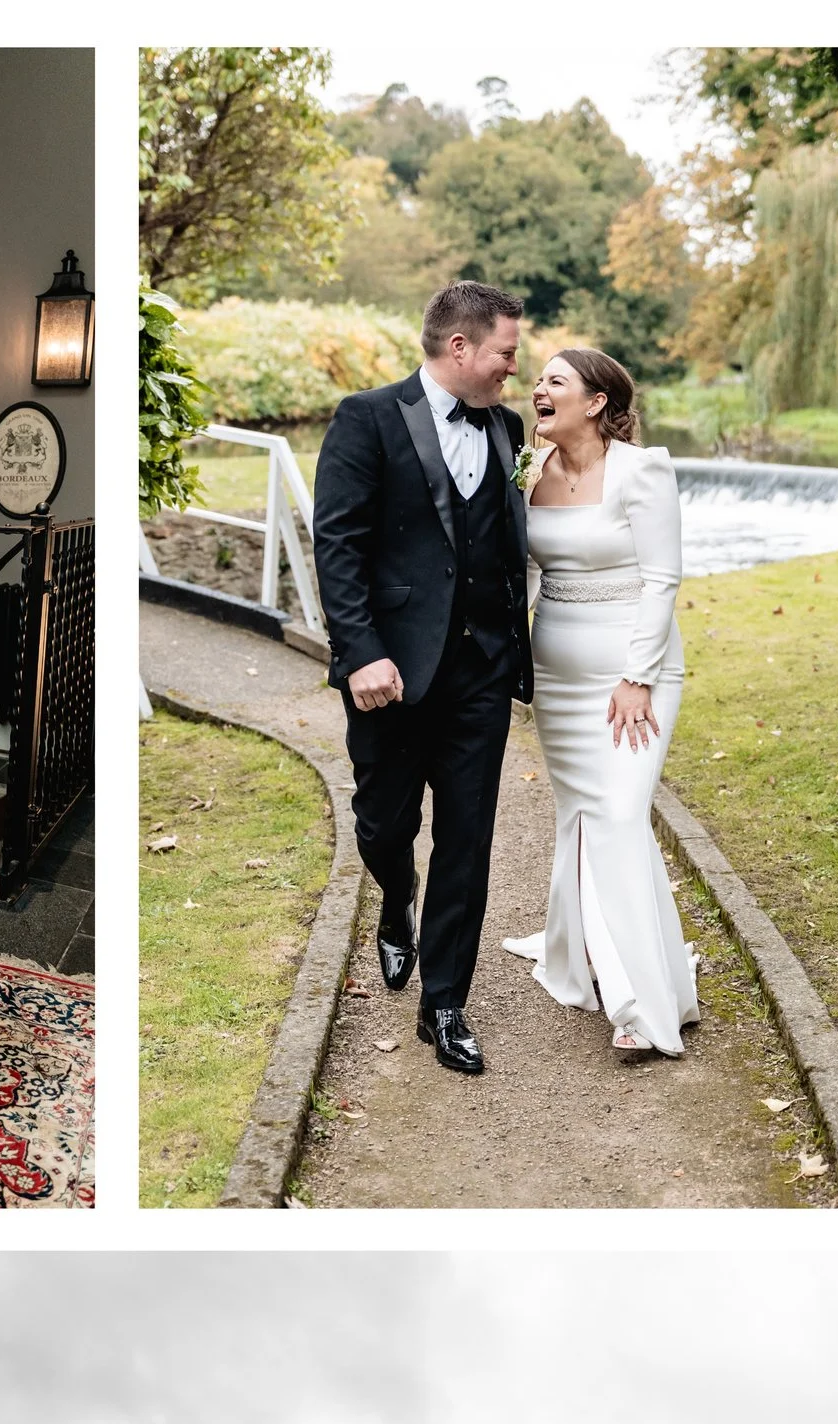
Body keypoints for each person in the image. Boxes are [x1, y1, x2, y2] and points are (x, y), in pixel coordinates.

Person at [313, 280, 533, 1076]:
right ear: (462, 348)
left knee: (468, 840)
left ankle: (446, 1004)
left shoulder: (507, 428)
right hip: (391, 673)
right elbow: (337, 544)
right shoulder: (367, 417)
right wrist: (361, 650)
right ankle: (395, 901)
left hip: (481, 672)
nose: (516, 366)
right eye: (508, 351)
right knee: (383, 824)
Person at [499, 349, 700, 1059]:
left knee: (618, 816)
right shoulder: (529, 471)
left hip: (632, 679)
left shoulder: (642, 471)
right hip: (556, 676)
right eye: (538, 381)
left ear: (594, 401)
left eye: (554, 381)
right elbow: (522, 574)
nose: (537, 390)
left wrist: (637, 675)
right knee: (581, 818)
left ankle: (644, 1007)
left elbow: (662, 578)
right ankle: (587, 953)